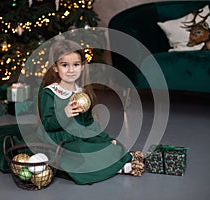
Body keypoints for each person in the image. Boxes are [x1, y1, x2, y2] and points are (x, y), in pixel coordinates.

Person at [36, 39, 144, 185]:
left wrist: (104, 138)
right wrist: (64, 113)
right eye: (64, 65)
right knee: (82, 154)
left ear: (82, 66)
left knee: (111, 146)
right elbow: (47, 124)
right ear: (55, 67)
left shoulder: (81, 92)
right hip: (59, 139)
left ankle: (114, 161)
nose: (71, 70)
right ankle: (119, 167)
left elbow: (88, 123)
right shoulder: (49, 93)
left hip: (80, 135)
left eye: (76, 65)